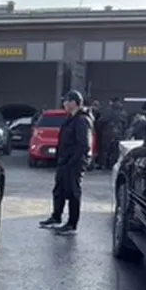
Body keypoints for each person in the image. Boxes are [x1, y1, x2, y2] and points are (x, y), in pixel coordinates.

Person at [39, 90, 92, 235]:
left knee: (73, 192)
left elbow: (84, 145)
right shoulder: (71, 118)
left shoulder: (82, 120)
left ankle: (72, 224)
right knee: (59, 190)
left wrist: (72, 162)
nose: (64, 104)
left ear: (74, 103)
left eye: (67, 101)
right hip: (65, 161)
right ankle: (56, 217)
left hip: (74, 163)